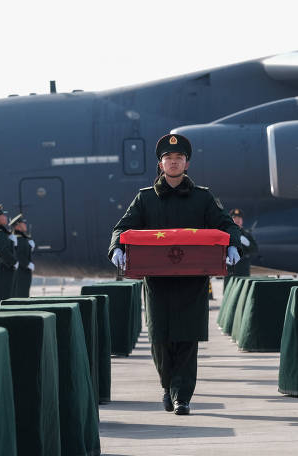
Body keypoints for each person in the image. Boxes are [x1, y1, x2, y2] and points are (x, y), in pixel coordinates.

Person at [108, 133, 242, 415]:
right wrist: (117, 248)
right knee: (160, 339)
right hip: (157, 282)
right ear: (161, 164)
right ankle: (167, 385)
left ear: (187, 164)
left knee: (187, 338)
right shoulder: (145, 199)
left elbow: (226, 224)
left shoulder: (203, 198)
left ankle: (182, 396)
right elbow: (121, 228)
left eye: (179, 158)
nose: (173, 162)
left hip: (192, 281)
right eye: (168, 158)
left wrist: (232, 245)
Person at [226, 208, 259, 277]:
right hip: (230, 270)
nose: (237, 220)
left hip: (243, 270)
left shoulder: (247, 235)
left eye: (239, 218)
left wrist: (248, 244)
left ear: (242, 220)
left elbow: (255, 250)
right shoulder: (226, 234)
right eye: (235, 218)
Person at [11, 214, 35, 298]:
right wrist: (27, 264)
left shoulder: (23, 238)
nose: (25, 225)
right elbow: (18, 255)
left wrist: (29, 248)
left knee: (24, 293)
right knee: (20, 294)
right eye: (23, 223)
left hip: (24, 272)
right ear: (17, 226)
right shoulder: (18, 239)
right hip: (21, 272)